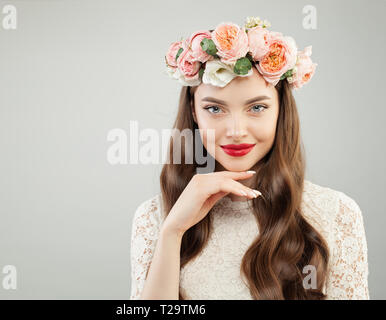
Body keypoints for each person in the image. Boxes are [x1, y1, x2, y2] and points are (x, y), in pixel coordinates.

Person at [130, 17, 369, 300]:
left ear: (281, 110)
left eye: (256, 107)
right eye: (214, 109)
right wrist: (172, 232)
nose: (236, 132)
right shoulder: (154, 217)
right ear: (194, 113)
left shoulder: (336, 213)